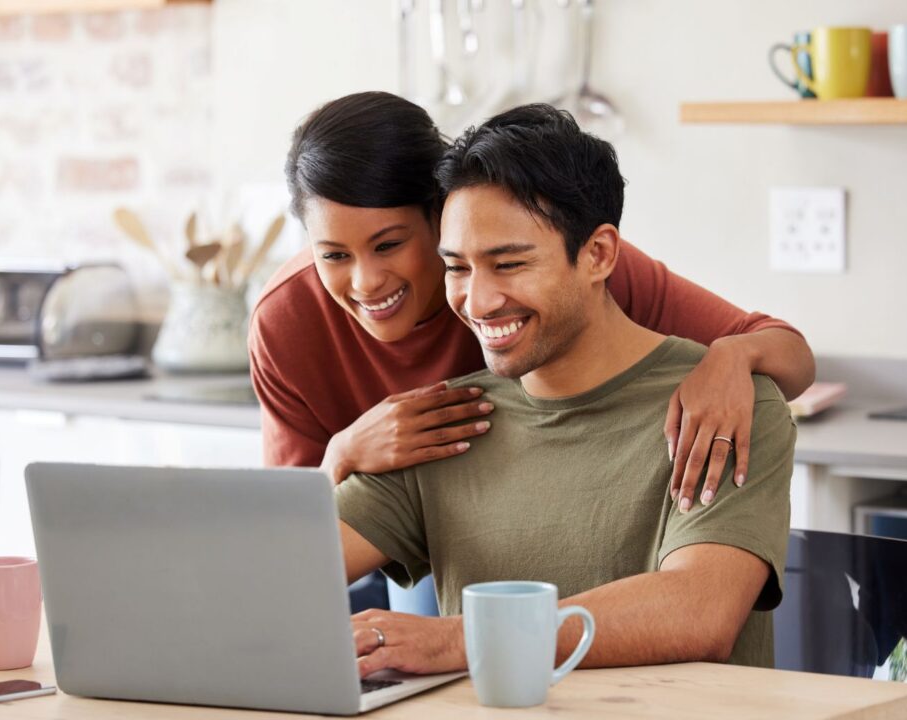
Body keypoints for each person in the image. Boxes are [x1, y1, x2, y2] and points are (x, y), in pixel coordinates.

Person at [335, 104, 795, 675]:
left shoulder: (725, 412)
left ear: (598, 255)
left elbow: (700, 609)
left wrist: (456, 641)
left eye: (508, 264)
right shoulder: (446, 421)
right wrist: (334, 460)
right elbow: (279, 573)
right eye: (457, 268)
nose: (477, 303)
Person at [249, 91, 812, 512]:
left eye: (389, 245)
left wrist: (731, 357)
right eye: (333, 255)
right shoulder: (285, 320)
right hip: (390, 520)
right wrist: (341, 455)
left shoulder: (572, 266)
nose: (367, 282)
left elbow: (789, 354)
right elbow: (282, 536)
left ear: (441, 213)